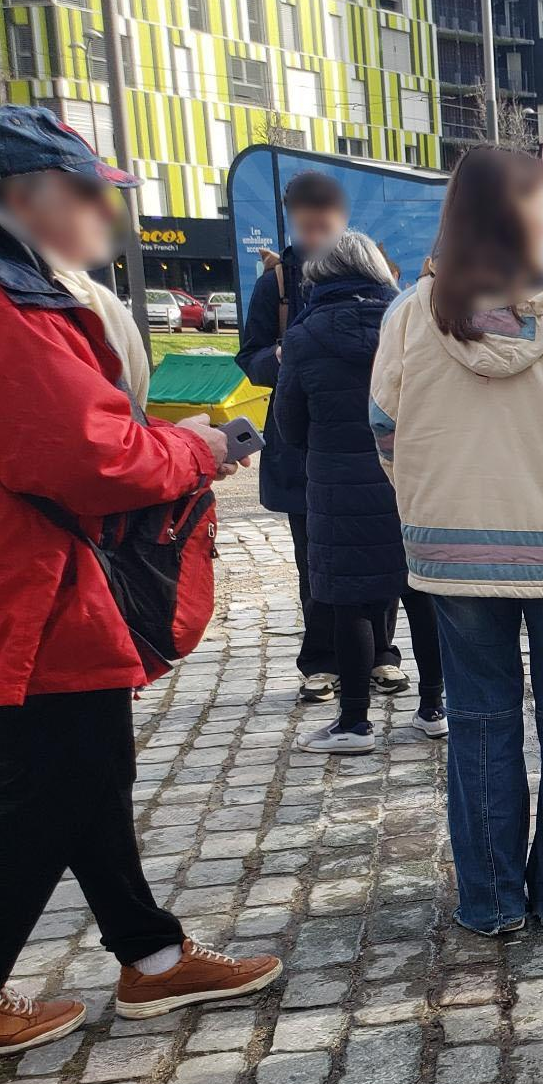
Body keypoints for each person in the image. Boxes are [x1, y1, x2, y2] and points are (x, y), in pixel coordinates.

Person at [0, 105, 281, 1052]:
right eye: (87, 194)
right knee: (59, 792)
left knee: (80, 781)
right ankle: (150, 959)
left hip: (44, 588)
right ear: (24, 198)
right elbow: (95, 457)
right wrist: (195, 448)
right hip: (36, 593)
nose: (103, 215)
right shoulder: (12, 311)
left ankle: (152, 957)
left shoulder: (30, 293)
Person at [372, 146, 543, 935]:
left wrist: (432, 510)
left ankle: (489, 900)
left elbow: (387, 435)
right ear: (528, 217)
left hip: (452, 557)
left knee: (480, 725)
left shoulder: (408, 317)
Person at [272, 231, 443, 754]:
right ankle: (435, 707)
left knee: (351, 603)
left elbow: (290, 424)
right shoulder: (415, 323)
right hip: (411, 480)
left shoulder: (304, 336)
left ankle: (353, 723)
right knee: (421, 595)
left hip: (338, 486)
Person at [241, 171, 354, 703]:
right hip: (297, 439)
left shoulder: (367, 270)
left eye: (325, 225)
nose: (317, 236)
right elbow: (250, 357)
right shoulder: (277, 284)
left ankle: (380, 654)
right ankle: (321, 662)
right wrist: (279, 358)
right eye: (308, 226)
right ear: (294, 222)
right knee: (313, 558)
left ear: (343, 220)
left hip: (357, 437)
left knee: (373, 550)